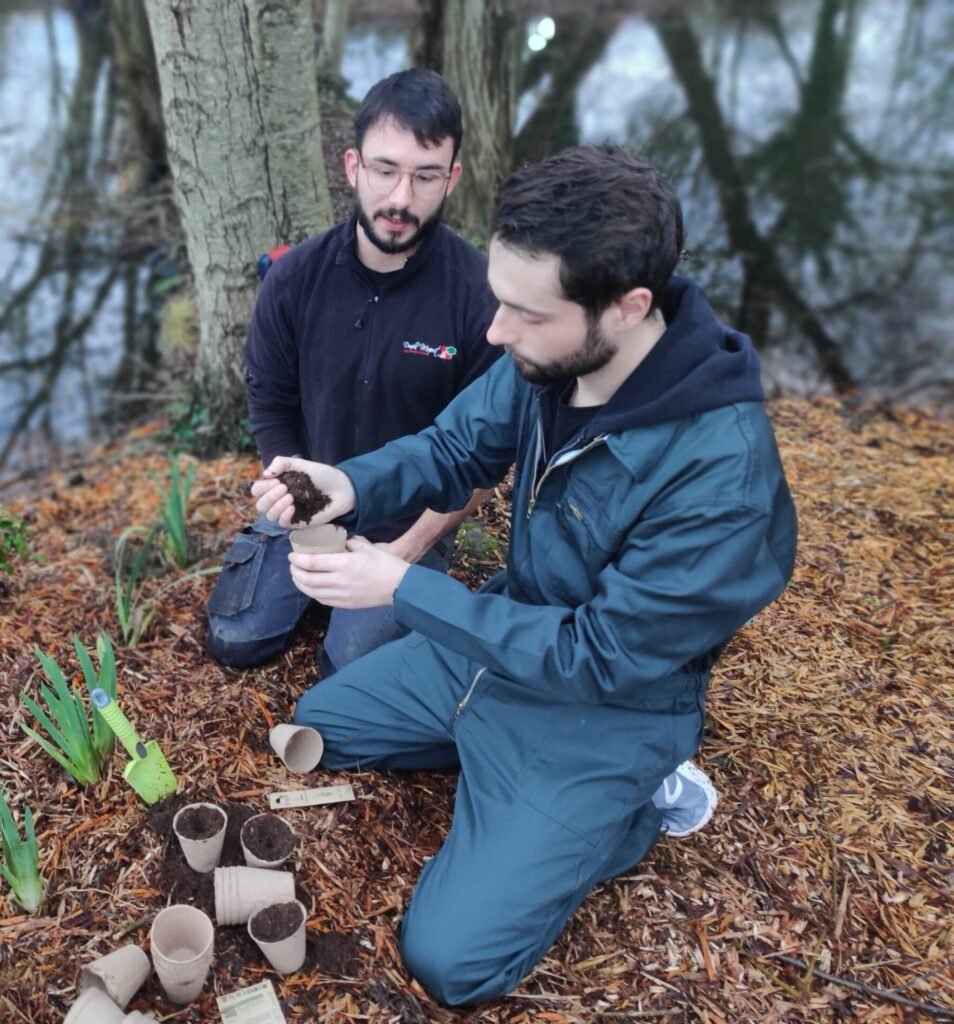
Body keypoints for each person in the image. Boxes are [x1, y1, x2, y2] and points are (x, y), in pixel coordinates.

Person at [252, 144, 797, 1006]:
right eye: (499, 302)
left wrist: (402, 589)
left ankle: (630, 807)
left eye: (522, 315)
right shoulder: (555, 358)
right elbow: (453, 445)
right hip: (502, 638)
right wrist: (348, 483)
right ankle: (495, 774)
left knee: (448, 961)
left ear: (627, 308)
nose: (496, 333)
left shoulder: (720, 474)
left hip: (606, 708)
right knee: (323, 722)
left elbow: (599, 656)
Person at [205, 68, 502, 672]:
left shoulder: (479, 297)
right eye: (385, 170)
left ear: (452, 179)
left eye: (424, 177)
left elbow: (486, 455)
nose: (399, 198)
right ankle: (302, 576)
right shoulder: (293, 280)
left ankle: (365, 605)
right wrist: (298, 504)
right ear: (352, 167)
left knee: (348, 669)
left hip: (410, 521)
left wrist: (407, 550)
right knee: (235, 641)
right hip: (312, 501)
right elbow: (269, 400)